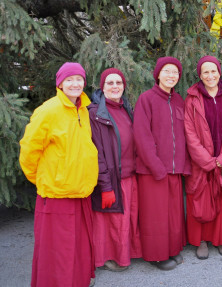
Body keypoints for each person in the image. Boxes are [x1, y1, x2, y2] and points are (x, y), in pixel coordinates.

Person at [19, 62, 99, 286]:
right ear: (60, 83)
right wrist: (45, 179)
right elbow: (28, 152)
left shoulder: (83, 108)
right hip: (56, 195)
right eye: (69, 79)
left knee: (78, 248)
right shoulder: (48, 110)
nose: (75, 83)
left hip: (81, 192)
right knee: (57, 252)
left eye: (79, 79)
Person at [134, 57, 191, 271]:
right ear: (158, 74)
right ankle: (156, 256)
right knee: (155, 216)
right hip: (153, 170)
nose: (171, 75)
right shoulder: (146, 99)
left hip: (174, 170)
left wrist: (184, 165)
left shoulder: (178, 101)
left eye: (175, 72)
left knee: (173, 215)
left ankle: (172, 249)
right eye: (167, 71)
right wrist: (156, 167)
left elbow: (183, 136)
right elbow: (142, 136)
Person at [184, 55, 222, 260]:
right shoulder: (192, 98)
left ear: (220, 72)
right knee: (200, 199)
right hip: (201, 162)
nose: (210, 75)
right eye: (205, 72)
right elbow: (189, 133)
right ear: (200, 75)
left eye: (213, 71)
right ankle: (200, 240)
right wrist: (207, 161)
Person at [88, 68, 142, 272]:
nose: (115, 86)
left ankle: (126, 253)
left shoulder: (125, 108)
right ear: (102, 87)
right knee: (111, 222)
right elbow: (98, 153)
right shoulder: (95, 113)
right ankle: (110, 258)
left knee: (126, 219)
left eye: (118, 83)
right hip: (111, 177)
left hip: (129, 175)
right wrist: (105, 184)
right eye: (110, 83)